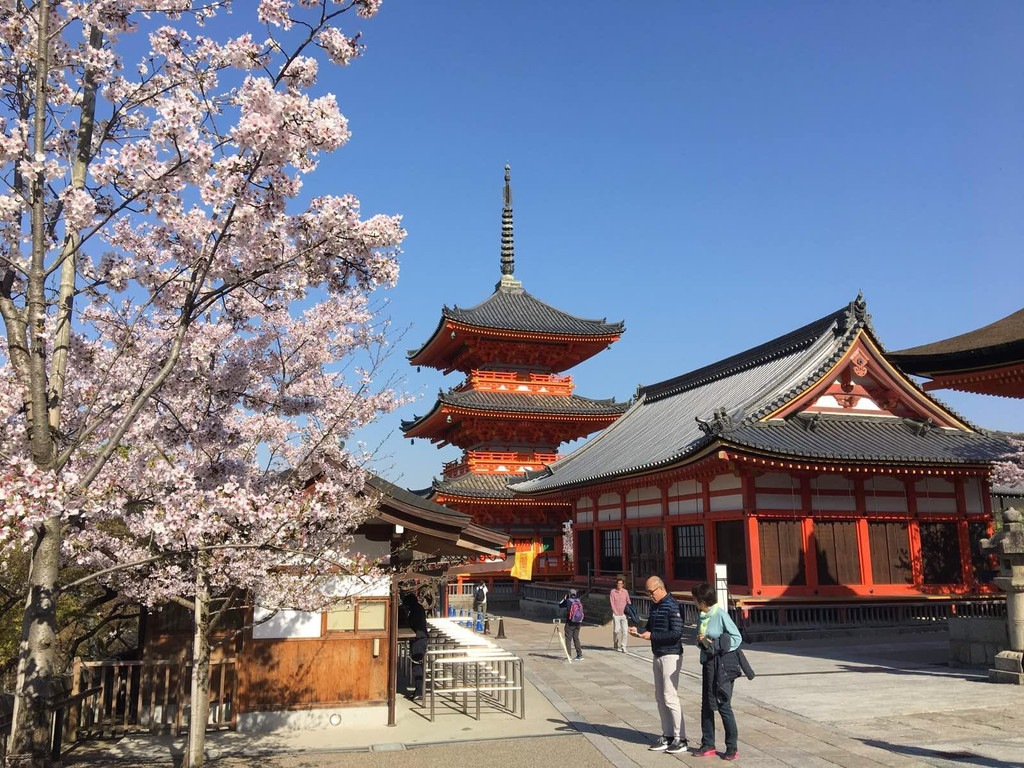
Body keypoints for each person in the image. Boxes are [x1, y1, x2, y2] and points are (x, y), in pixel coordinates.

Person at [629, 575, 687, 754]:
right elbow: (650, 627)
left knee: (670, 696)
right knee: (660, 697)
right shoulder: (654, 606)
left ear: (660, 588)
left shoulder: (673, 605)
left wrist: (652, 636)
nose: (649, 595)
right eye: (647, 592)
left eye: (651, 592)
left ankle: (681, 738)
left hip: (671, 654)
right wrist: (639, 631)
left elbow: (676, 633)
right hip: (658, 653)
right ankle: (667, 734)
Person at [690, 582, 743, 761]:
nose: (693, 601)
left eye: (695, 598)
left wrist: (715, 643)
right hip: (707, 665)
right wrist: (701, 641)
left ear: (702, 601)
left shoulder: (720, 615)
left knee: (723, 705)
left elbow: (737, 638)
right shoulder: (702, 616)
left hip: (722, 668)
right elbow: (702, 641)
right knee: (706, 705)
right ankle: (708, 744)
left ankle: (732, 747)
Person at [402, 592, 429, 696]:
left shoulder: (415, 610)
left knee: (417, 664)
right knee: (418, 664)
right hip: (421, 637)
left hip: (419, 638)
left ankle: (419, 691)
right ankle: (419, 690)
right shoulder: (418, 608)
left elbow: (413, 623)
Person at [559, 588, 585, 660]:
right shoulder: (579, 601)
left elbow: (560, 605)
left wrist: (564, 598)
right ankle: (579, 655)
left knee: (568, 639)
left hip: (570, 622)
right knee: (576, 638)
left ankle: (568, 655)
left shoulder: (568, 601)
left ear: (569, 594)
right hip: (578, 622)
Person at [609, 577, 631, 652]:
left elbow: (628, 601)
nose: (619, 585)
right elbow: (612, 602)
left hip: (624, 614)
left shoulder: (625, 592)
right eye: (618, 583)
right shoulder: (613, 592)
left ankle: (623, 646)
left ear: (623, 585)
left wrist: (630, 610)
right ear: (616, 584)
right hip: (616, 614)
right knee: (616, 630)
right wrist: (615, 611)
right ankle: (615, 643)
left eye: (621, 584)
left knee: (625, 631)